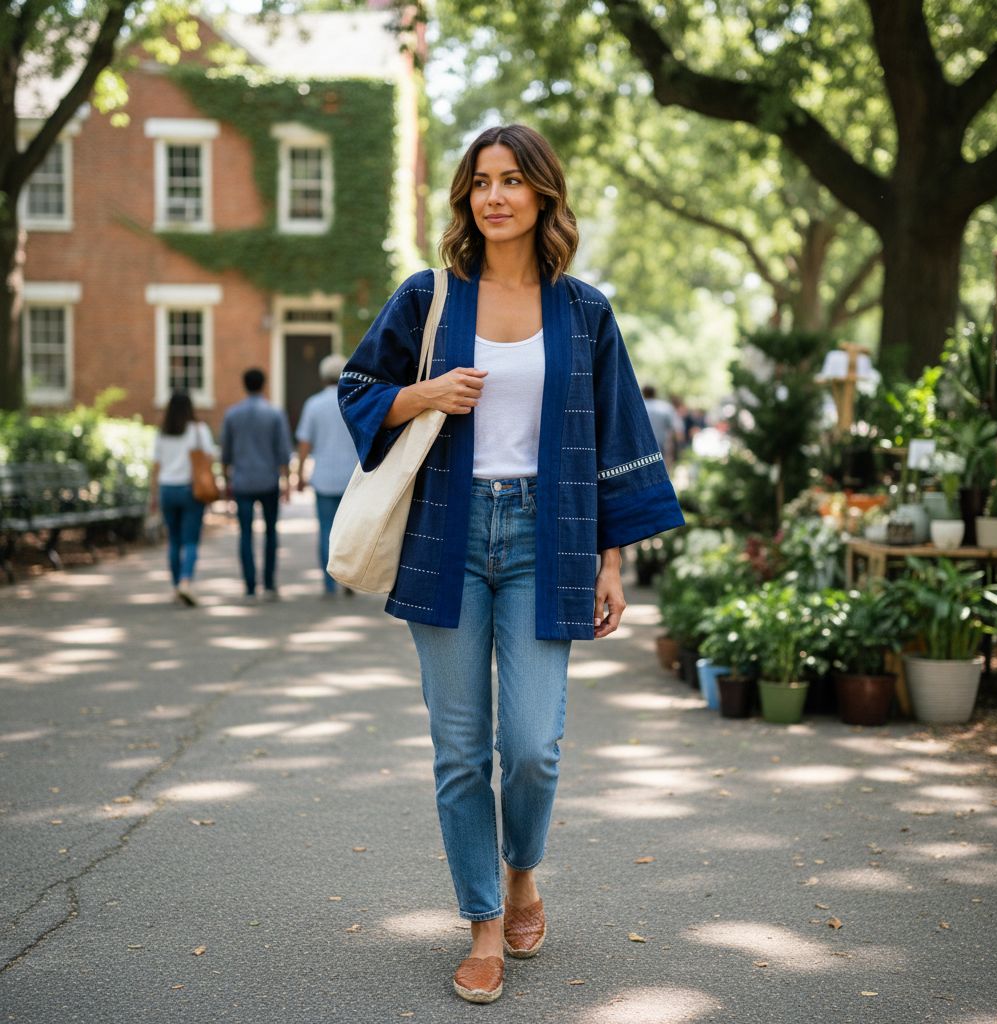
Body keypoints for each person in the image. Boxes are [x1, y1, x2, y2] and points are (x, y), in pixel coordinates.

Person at [338, 124, 684, 1004]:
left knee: (531, 747)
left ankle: (523, 867)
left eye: (512, 181)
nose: (494, 196)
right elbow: (356, 388)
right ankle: (483, 923)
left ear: (541, 196)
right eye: (481, 182)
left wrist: (611, 561)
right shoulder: (429, 298)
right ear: (467, 199)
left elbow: (614, 438)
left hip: (548, 538)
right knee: (461, 754)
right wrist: (425, 392)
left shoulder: (585, 311)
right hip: (445, 539)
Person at [221, 368, 292, 602]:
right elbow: (283, 452)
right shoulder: (274, 413)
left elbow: (225, 453)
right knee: (271, 533)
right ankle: (270, 583)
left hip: (242, 482)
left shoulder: (232, 415)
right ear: (264, 385)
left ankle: (250, 586)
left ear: (244, 385)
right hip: (268, 480)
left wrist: (226, 482)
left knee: (245, 534)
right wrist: (287, 481)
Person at [295, 353, 359, 596]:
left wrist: (300, 474)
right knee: (350, 531)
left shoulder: (313, 404)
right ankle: (348, 579)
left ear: (322, 377)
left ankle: (329, 581)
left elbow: (304, 443)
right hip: (351, 477)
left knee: (325, 529)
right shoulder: (352, 400)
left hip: (323, 476)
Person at [149, 390, 216, 606]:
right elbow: (208, 458)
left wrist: (153, 496)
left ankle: (176, 585)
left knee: (174, 541)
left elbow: (156, 466)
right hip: (190, 490)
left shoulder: (162, 432)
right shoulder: (198, 430)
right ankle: (186, 581)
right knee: (190, 540)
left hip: (167, 489)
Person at [642, 384, 680, 469]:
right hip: (662, 446)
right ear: (655, 393)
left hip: (642, 447)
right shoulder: (665, 407)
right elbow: (675, 429)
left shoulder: (638, 406)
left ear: (643, 393)